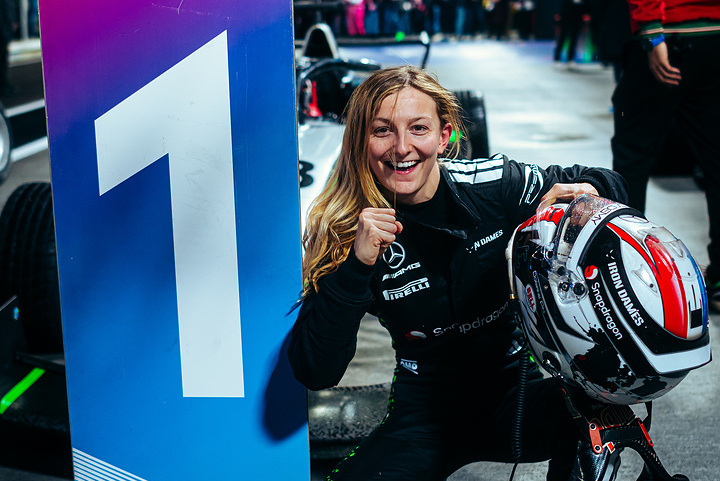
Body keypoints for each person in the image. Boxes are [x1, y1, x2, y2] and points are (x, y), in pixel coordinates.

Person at [288, 65, 628, 481]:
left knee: (607, 409)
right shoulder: (346, 226)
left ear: (443, 135)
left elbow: (608, 181)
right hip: (425, 415)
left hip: (516, 399)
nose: (402, 148)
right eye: (382, 130)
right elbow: (315, 370)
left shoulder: (493, 184)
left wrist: (583, 200)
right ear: (361, 139)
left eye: (418, 128)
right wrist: (357, 266)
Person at [610, 0, 720, 309]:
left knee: (632, 157)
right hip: (713, 36)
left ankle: (628, 278)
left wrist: (651, 32)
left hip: (671, 32)